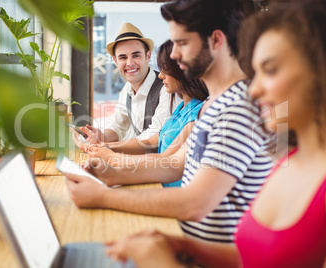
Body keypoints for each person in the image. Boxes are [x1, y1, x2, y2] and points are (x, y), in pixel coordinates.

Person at [104, 1, 326, 267]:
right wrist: (191, 248)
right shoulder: (290, 163)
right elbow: (255, 257)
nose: (253, 90)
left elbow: (194, 199)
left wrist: (159, 259)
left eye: (269, 70)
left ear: (323, 69)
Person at [64, 0, 273, 244]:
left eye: (182, 43)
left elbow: (195, 202)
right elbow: (174, 163)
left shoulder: (238, 108)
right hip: (189, 242)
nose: (173, 54)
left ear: (216, 41)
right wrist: (113, 174)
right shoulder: (212, 104)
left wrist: (103, 196)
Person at [79, 40, 209, 187]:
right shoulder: (181, 109)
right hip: (157, 183)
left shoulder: (197, 112)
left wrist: (111, 157)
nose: (161, 76)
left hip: (168, 191)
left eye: (165, 69)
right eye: (123, 57)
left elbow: (164, 160)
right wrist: (105, 146)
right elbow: (149, 141)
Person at [78, 23, 175, 144]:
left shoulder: (166, 88)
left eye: (136, 55)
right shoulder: (127, 89)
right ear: (115, 61)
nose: (129, 63)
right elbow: (117, 126)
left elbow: (154, 136)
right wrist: (101, 137)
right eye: (123, 57)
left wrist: (108, 148)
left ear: (148, 56)